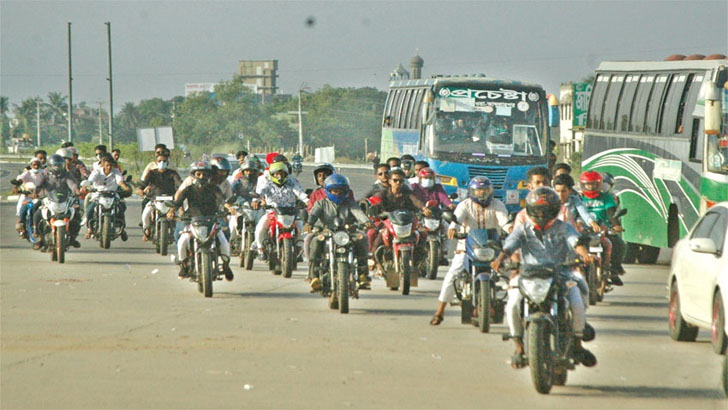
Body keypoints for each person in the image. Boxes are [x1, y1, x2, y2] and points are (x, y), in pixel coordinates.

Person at [491, 187, 597, 369]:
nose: (542, 214)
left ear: (554, 210)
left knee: (577, 300)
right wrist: (500, 258)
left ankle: (578, 344)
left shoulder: (564, 227)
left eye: (546, 210)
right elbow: (509, 245)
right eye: (538, 210)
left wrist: (585, 254)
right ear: (531, 210)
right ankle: (518, 347)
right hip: (528, 275)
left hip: (560, 274)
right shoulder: (523, 229)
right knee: (513, 304)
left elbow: (576, 242)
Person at [430, 176, 508, 325]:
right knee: (453, 274)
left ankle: (519, 315)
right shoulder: (464, 205)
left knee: (512, 277)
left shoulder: (498, 204)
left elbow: (503, 220)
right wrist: (453, 228)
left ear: (490, 191)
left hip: (493, 247)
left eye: (485, 191)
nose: (482, 194)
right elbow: (456, 219)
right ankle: (440, 311)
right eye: (478, 191)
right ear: (472, 192)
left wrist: (510, 228)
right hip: (467, 247)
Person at [167, 161, 234, 281]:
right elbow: (178, 202)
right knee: (183, 241)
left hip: (211, 220)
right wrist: (172, 211)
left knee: (223, 241)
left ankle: (226, 265)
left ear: (209, 175)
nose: (202, 177)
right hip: (193, 221)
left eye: (205, 174)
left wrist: (228, 207)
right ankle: (184, 266)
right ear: (193, 175)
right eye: (198, 174)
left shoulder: (214, 188)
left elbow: (222, 200)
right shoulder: (188, 189)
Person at [305, 174, 371, 291]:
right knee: (315, 241)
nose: (337, 193)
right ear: (328, 191)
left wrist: (366, 222)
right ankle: (314, 275)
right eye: (334, 191)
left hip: (346, 232)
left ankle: (363, 274)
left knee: (362, 238)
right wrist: (310, 223)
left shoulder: (350, 203)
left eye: (340, 191)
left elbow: (358, 213)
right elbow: (314, 214)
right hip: (326, 231)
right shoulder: (321, 203)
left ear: (346, 191)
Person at [251, 161, 309, 260]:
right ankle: (261, 249)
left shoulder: (291, 183)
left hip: (291, 213)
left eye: (282, 173)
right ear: (272, 174)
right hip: (272, 212)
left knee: (300, 227)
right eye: (277, 174)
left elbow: (300, 193)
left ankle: (298, 249)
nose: (279, 176)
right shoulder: (267, 183)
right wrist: (256, 200)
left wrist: (307, 201)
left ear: (286, 174)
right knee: (260, 228)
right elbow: (260, 192)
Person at [579, 171, 626, 283]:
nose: (591, 187)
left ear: (599, 184)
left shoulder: (607, 198)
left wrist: (616, 225)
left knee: (620, 244)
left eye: (594, 184)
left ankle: (613, 270)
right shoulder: (579, 198)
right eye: (588, 184)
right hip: (583, 230)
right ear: (582, 184)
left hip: (603, 229)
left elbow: (611, 213)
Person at [33, 154, 82, 249]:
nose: (57, 168)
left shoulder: (66, 174)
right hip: (48, 199)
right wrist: (36, 192)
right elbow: (39, 184)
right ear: (50, 165)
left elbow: (72, 184)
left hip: (64, 200)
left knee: (76, 215)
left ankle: (73, 238)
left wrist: (76, 190)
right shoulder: (45, 174)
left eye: (59, 165)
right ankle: (39, 237)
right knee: (37, 213)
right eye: (55, 165)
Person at [83, 156, 131, 240]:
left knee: (121, 208)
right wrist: (86, 186)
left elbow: (119, 181)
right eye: (107, 165)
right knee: (89, 210)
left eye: (110, 165)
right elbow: (90, 180)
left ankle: (122, 228)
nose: (109, 167)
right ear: (103, 165)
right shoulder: (97, 172)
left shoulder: (116, 172)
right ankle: (90, 229)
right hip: (98, 195)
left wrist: (125, 187)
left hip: (112, 194)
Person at [139, 153, 181, 241]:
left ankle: (176, 234)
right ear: (156, 162)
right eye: (160, 161)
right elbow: (144, 183)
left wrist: (181, 189)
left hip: (170, 201)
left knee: (179, 217)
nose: (162, 163)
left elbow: (179, 184)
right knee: (146, 214)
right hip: (154, 200)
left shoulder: (172, 173)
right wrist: (140, 189)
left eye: (164, 161)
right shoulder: (152, 173)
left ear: (168, 162)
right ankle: (147, 231)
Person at [14, 158, 46, 239]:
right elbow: (20, 178)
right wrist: (16, 186)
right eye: (34, 165)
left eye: (38, 165)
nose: (36, 166)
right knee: (22, 209)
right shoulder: (28, 173)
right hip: (27, 196)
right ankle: (22, 229)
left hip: (41, 197)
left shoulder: (44, 173)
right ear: (31, 165)